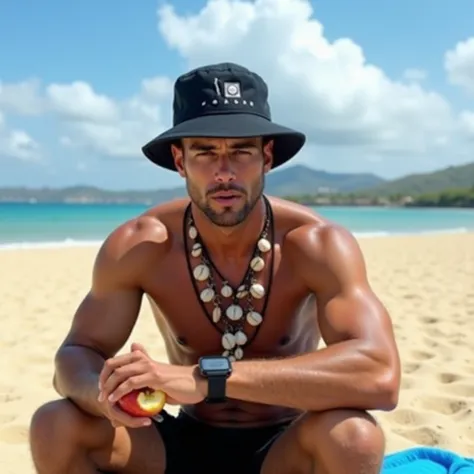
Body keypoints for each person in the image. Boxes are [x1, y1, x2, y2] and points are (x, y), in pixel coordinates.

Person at [29, 62, 401, 474]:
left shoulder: (316, 244)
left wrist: (207, 377)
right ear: (179, 160)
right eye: (205, 151)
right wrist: (101, 392)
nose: (224, 172)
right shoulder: (142, 244)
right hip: (178, 443)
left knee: (355, 435)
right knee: (54, 422)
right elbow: (74, 355)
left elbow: (380, 374)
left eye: (241, 151)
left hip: (285, 450)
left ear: (267, 157)